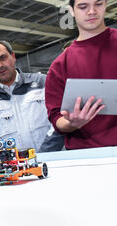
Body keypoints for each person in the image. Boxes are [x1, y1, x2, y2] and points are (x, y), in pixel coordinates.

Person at [45, 0, 117, 150]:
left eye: (98, 4)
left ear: (105, 4)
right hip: (85, 155)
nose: (92, 11)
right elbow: (56, 117)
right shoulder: (59, 66)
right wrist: (71, 123)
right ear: (71, 10)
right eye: (83, 6)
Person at [0, 40, 64, 156]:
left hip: (56, 159)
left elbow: (60, 122)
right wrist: (21, 163)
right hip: (17, 170)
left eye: (3, 58)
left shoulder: (44, 83)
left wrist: (45, 155)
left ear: (13, 57)